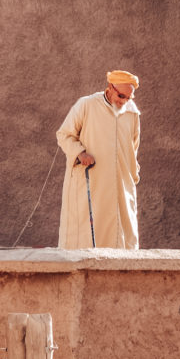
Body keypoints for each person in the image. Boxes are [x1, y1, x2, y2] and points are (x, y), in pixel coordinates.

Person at [56, 70, 140, 249]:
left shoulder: (132, 113)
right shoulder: (86, 105)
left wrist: (133, 177)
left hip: (121, 185)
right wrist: (80, 153)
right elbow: (64, 135)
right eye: (121, 96)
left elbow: (133, 149)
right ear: (110, 87)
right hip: (92, 180)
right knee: (87, 235)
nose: (124, 101)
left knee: (121, 238)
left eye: (129, 98)